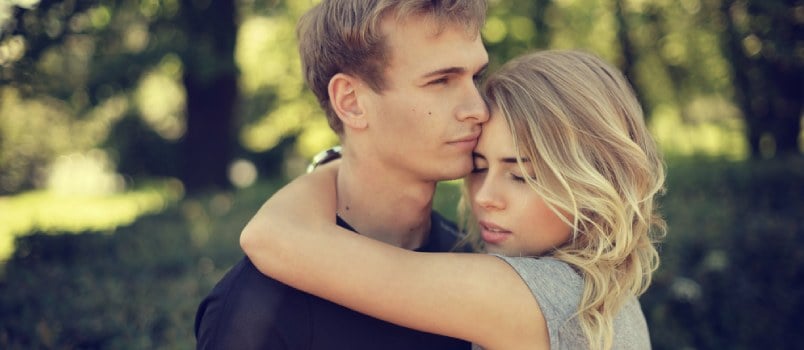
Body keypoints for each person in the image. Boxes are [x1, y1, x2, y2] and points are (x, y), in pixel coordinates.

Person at [240, 50, 667, 350]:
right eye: (480, 167)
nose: (486, 197)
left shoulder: (545, 297)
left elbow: (272, 237)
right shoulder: (603, 291)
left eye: (521, 175)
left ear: (595, 181)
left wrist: (344, 158)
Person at [194, 0, 489, 349]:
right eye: (441, 81)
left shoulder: (475, 260)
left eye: (476, 77)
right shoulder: (260, 305)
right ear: (350, 101)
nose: (478, 109)